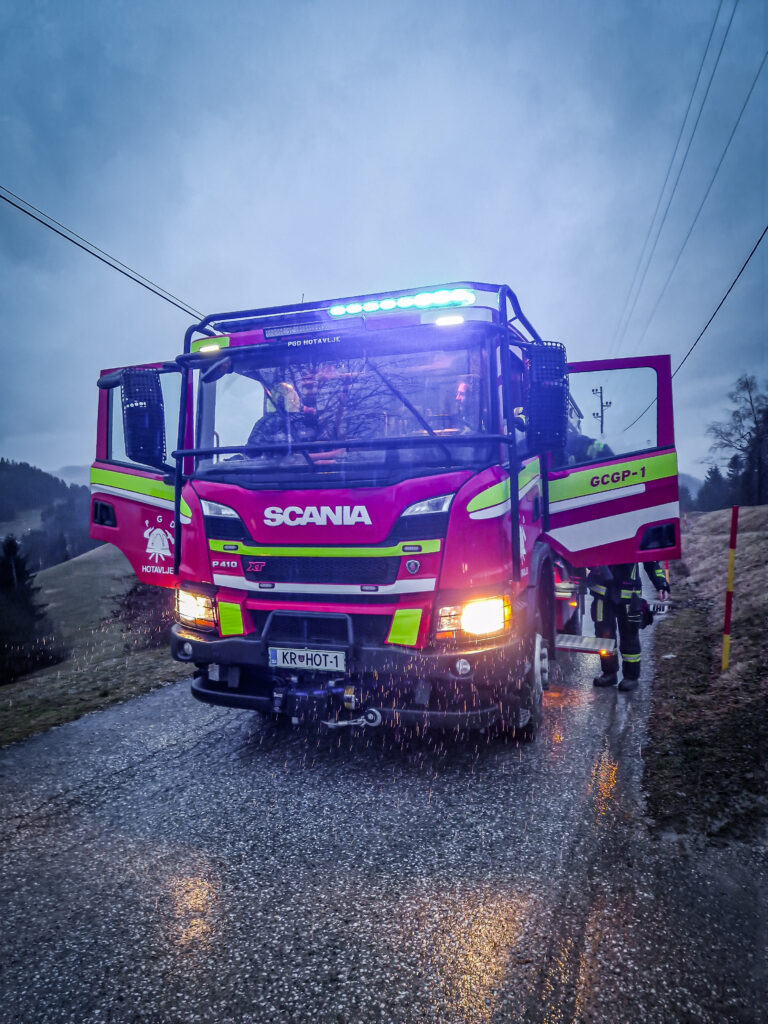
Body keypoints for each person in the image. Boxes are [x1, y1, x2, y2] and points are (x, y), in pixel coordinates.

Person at [588, 561, 670, 691]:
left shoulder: (635, 545)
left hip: (629, 594)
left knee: (629, 635)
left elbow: (650, 560)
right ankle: (609, 673)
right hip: (602, 594)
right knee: (604, 636)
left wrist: (661, 584)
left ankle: (631, 677)